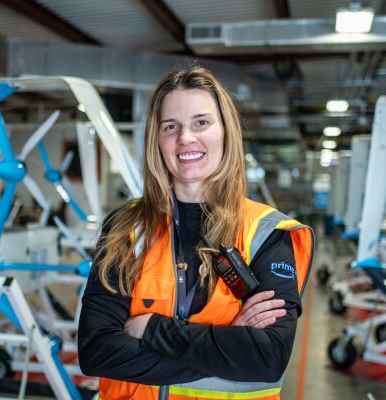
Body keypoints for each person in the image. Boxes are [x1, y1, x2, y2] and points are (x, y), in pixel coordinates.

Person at [78, 64, 314, 400]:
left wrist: (151, 328)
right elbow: (97, 351)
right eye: (170, 126)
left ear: (225, 131)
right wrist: (226, 347)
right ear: (157, 140)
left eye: (201, 122)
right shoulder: (125, 227)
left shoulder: (268, 235)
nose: (185, 138)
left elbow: (267, 357)